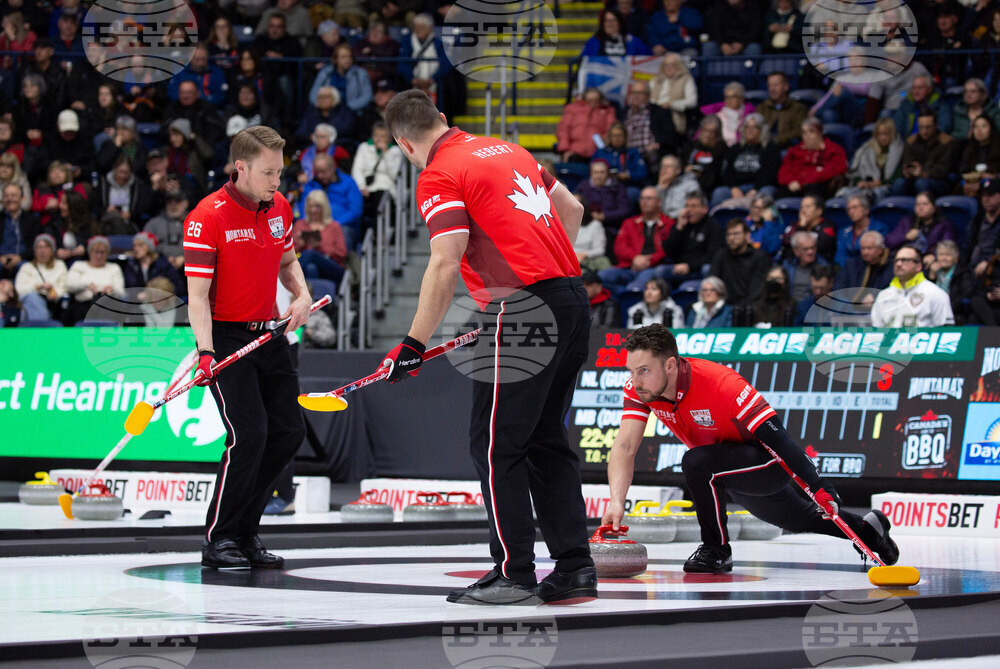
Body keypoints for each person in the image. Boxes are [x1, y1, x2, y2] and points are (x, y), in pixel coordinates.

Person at [383, 90, 596, 605]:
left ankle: (514, 574)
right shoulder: (508, 149)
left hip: (520, 307)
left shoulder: (438, 173)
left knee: (496, 444)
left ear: (404, 144)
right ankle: (575, 567)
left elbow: (445, 260)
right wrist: (546, 271)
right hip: (572, 298)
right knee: (545, 438)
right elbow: (572, 207)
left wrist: (413, 342)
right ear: (443, 118)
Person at [601, 324, 900, 573]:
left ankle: (716, 549)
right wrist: (616, 501)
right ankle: (869, 530)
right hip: (727, 469)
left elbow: (780, 440)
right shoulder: (641, 390)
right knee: (797, 518)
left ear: (670, 364)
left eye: (643, 370)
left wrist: (821, 486)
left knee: (696, 462)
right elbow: (625, 447)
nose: (635, 381)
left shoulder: (722, 384)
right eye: (631, 371)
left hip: (765, 462)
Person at [182, 125, 312, 570]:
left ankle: (245, 531)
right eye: (268, 172)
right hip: (226, 336)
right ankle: (218, 538)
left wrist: (302, 295)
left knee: (289, 431)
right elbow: (197, 297)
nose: (277, 181)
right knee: (249, 434)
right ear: (241, 168)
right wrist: (206, 352)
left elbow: (288, 260)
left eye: (280, 172)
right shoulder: (207, 216)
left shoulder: (279, 206)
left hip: (269, 333)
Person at [598, 186, 674, 296]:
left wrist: (649, 261)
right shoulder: (629, 223)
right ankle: (623, 295)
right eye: (642, 198)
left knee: (636, 286)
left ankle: (628, 294)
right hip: (629, 266)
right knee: (600, 277)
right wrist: (635, 258)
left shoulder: (669, 223)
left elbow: (668, 249)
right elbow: (619, 247)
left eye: (649, 198)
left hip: (653, 267)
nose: (644, 202)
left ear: (659, 202)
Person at [870, 245, 956, 327]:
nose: (899, 264)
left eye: (905, 260)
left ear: (918, 266)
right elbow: (876, 329)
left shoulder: (935, 293)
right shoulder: (883, 295)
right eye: (896, 260)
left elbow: (946, 330)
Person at [298, 153, 363, 250]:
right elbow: (303, 210)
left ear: (332, 168)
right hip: (315, 225)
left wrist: (335, 224)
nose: (320, 175)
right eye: (317, 172)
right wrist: (311, 225)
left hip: (341, 225)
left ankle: (342, 259)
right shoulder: (310, 185)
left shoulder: (348, 182)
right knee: (299, 230)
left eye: (323, 171)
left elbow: (355, 210)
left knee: (343, 232)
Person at [715, 113, 780, 207]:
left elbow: (770, 173)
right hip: (737, 187)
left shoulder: (770, 148)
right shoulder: (735, 149)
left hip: (760, 186)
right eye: (747, 127)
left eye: (755, 127)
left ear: (762, 130)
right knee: (719, 192)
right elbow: (726, 172)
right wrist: (733, 187)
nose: (750, 130)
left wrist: (756, 189)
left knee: (765, 193)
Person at [890, 111, 957, 197]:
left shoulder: (947, 142)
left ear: (935, 125)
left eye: (928, 127)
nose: (924, 131)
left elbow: (943, 170)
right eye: (921, 127)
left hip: (939, 181)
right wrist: (908, 171)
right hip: (915, 178)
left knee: (921, 183)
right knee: (898, 183)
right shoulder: (912, 141)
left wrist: (923, 173)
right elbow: (907, 161)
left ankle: (925, 205)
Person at [777, 117, 848, 199]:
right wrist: (791, 181)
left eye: (811, 131)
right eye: (804, 132)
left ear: (820, 132)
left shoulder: (833, 149)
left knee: (813, 191)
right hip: (795, 186)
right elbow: (783, 171)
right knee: (779, 194)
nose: (807, 136)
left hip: (820, 187)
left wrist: (806, 180)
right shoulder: (794, 151)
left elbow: (838, 169)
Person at [661, 191, 723, 281]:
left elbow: (713, 256)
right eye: (686, 206)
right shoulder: (681, 224)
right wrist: (679, 227)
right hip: (680, 268)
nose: (689, 210)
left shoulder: (713, 226)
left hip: (698, 269)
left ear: (705, 209)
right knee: (661, 271)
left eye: (693, 206)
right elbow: (668, 251)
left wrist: (690, 266)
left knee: (707, 269)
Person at [708, 218, 772, 307]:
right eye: (728, 234)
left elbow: (757, 291)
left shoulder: (759, 257)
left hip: (750, 307)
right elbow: (713, 281)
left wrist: (741, 307)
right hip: (725, 307)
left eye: (736, 234)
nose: (731, 238)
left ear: (747, 235)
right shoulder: (721, 255)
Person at [63, 235, 125, 324]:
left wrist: (112, 290)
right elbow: (69, 286)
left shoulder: (114, 268)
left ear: (107, 253)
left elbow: (120, 291)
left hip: (107, 304)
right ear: (89, 252)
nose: (99, 256)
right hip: (83, 304)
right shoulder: (79, 265)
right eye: (96, 252)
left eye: (102, 252)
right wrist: (87, 285)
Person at [618, 80, 680, 169]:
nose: (636, 96)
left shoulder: (658, 112)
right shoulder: (624, 113)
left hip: (650, 155)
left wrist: (658, 143)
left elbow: (670, 133)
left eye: (640, 93)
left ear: (648, 95)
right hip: (629, 156)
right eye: (633, 93)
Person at [291, 189, 347, 285]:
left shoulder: (334, 226)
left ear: (324, 207)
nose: (313, 210)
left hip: (332, 267)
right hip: (306, 267)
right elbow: (290, 253)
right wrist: (300, 245)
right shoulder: (300, 224)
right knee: (311, 268)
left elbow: (342, 254)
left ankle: (289, 279)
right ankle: (311, 293)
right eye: (310, 206)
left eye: (317, 207)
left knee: (310, 253)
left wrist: (319, 246)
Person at [844, 117, 904, 203]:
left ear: (892, 134)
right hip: (866, 186)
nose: (883, 138)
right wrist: (861, 182)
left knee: (875, 193)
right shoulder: (866, 150)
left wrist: (881, 183)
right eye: (880, 134)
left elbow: (898, 177)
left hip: (887, 188)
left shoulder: (900, 151)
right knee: (847, 194)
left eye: (886, 134)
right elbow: (855, 173)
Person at [885, 191, 956, 256]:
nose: (921, 207)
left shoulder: (944, 225)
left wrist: (932, 255)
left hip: (930, 261)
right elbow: (888, 241)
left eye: (925, 204)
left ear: (934, 208)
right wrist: (905, 237)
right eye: (918, 204)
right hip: (907, 258)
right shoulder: (906, 221)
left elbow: (948, 247)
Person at [14, 233, 66, 321]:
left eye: (46, 247)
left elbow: (63, 286)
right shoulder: (27, 267)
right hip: (29, 301)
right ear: (35, 251)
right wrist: (37, 287)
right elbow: (19, 289)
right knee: (31, 298)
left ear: (52, 250)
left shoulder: (60, 265)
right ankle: (41, 326)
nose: (43, 251)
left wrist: (55, 293)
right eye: (39, 247)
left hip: (52, 304)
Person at [557, 88, 616, 163]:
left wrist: (605, 146)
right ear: (585, 99)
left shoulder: (608, 111)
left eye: (596, 100)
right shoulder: (572, 108)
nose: (593, 102)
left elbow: (611, 130)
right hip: (574, 152)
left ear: (600, 100)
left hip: (598, 153)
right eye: (590, 100)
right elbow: (563, 130)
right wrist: (565, 150)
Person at [309, 43, 373, 113]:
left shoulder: (360, 73)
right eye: (343, 57)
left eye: (349, 56)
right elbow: (313, 94)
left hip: (352, 113)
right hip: (327, 111)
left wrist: (348, 108)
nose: (347, 60)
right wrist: (324, 106)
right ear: (336, 59)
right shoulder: (326, 72)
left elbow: (367, 96)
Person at [574, 159, 631, 234]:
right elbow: (576, 207)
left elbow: (625, 210)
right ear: (591, 173)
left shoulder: (617, 187)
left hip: (610, 228)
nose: (598, 176)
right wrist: (590, 215)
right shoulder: (582, 187)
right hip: (586, 226)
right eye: (596, 172)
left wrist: (605, 216)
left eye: (602, 172)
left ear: (607, 173)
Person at [836, 193, 889, 268]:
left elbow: (876, 254)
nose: (851, 211)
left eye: (855, 207)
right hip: (847, 269)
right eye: (848, 209)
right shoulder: (843, 232)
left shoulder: (880, 229)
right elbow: (840, 256)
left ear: (866, 210)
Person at [123, 231, 184, 296]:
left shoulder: (163, 263)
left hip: (162, 299)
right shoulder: (132, 264)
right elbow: (128, 288)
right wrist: (137, 294)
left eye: (140, 245)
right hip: (138, 300)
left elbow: (179, 287)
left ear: (149, 246)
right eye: (134, 245)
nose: (136, 248)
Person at [757, 72, 809, 149]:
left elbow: (800, 131)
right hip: (764, 147)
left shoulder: (799, 108)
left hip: (789, 148)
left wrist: (778, 139)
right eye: (770, 85)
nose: (772, 89)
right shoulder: (762, 108)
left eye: (776, 85)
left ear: (786, 86)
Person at [834, 230, 893, 296]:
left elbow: (888, 289)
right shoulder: (852, 264)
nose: (865, 252)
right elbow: (838, 287)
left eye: (869, 248)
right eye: (863, 248)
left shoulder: (890, 267)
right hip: (850, 301)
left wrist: (874, 296)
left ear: (880, 249)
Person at [650, 53, 697, 136]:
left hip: (673, 115)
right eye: (666, 65)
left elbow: (692, 102)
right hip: (654, 113)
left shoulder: (686, 79)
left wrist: (672, 104)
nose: (669, 68)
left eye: (672, 65)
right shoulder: (655, 80)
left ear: (679, 66)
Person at [700, 82, 755, 148]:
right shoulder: (717, 116)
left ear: (741, 99)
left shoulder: (749, 116)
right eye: (727, 97)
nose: (729, 100)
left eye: (733, 97)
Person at [959, 116, 1000, 197]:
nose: (979, 130)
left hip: (993, 184)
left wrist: (993, 177)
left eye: (983, 126)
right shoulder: (968, 148)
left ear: (991, 129)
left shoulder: (998, 148)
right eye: (976, 127)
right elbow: (962, 171)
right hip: (971, 183)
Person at [783, 230, 829, 302]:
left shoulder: (823, 266)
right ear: (796, 251)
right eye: (805, 249)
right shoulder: (788, 265)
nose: (810, 252)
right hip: (790, 304)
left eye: (813, 248)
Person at [581, 9, 651, 56]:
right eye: (607, 20)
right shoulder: (594, 41)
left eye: (614, 20)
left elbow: (647, 57)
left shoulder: (632, 40)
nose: (610, 23)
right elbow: (583, 61)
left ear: (620, 23)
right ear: (603, 23)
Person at [656, 155, 701, 219]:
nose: (664, 169)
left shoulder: (690, 185)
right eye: (662, 166)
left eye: (668, 166)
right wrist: (661, 189)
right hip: (663, 222)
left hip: (683, 220)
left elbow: (694, 209)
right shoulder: (659, 187)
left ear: (678, 170)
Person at [746, 194, 784, 258]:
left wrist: (768, 222)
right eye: (754, 207)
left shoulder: (776, 226)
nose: (756, 211)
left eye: (760, 208)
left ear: (769, 210)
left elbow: (772, 248)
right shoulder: (746, 224)